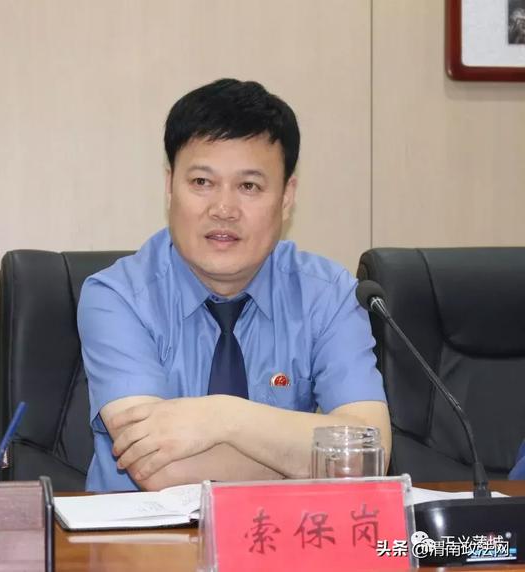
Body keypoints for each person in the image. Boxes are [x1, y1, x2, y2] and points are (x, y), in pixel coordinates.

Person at [78, 78, 391, 492]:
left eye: (249, 186)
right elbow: (159, 469)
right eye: (202, 182)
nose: (223, 209)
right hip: (147, 532)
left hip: (283, 532)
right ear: (170, 186)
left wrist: (224, 417)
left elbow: (368, 453)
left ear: (286, 197)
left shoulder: (329, 295)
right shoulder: (117, 298)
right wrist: (312, 459)